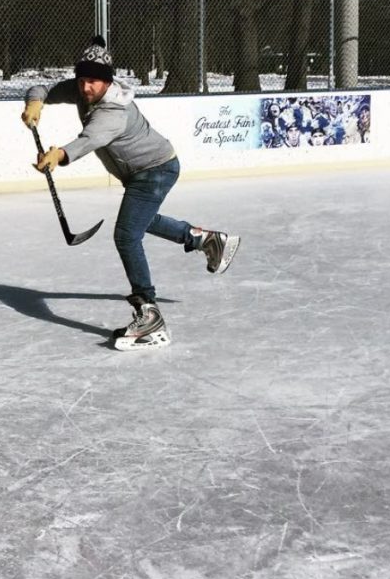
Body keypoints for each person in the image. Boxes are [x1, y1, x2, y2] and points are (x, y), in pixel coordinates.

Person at [22, 36, 240, 351]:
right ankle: (206, 240)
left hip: (155, 169)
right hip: (141, 172)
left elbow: (89, 139)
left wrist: (59, 156)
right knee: (141, 222)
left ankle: (149, 315)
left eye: (93, 82)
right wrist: (35, 102)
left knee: (126, 235)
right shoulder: (83, 89)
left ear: (107, 82)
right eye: (82, 80)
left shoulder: (113, 108)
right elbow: (45, 88)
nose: (85, 89)